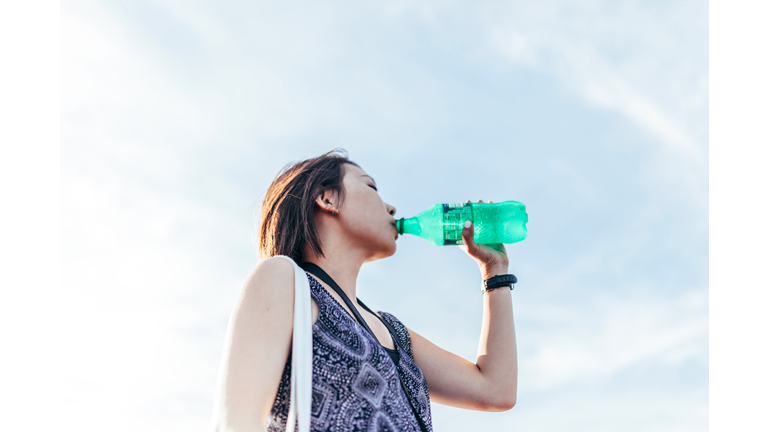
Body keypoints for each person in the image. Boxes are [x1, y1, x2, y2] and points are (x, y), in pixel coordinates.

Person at [212, 149, 518, 432]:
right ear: (328, 198)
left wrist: (495, 271)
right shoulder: (284, 281)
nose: (391, 207)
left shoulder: (392, 331)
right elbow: (238, 420)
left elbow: (495, 390)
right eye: (371, 187)